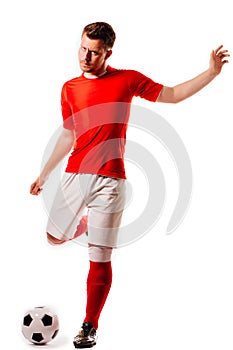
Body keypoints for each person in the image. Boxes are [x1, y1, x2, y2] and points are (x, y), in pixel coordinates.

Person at [30, 22, 229, 348]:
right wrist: (44, 175)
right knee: (53, 236)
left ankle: (89, 326)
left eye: (94, 52)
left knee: (99, 258)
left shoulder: (127, 79)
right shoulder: (69, 88)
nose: (86, 56)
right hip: (76, 173)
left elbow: (174, 95)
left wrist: (211, 73)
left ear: (109, 52)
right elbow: (69, 133)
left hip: (111, 182)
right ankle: (83, 225)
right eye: (82, 48)